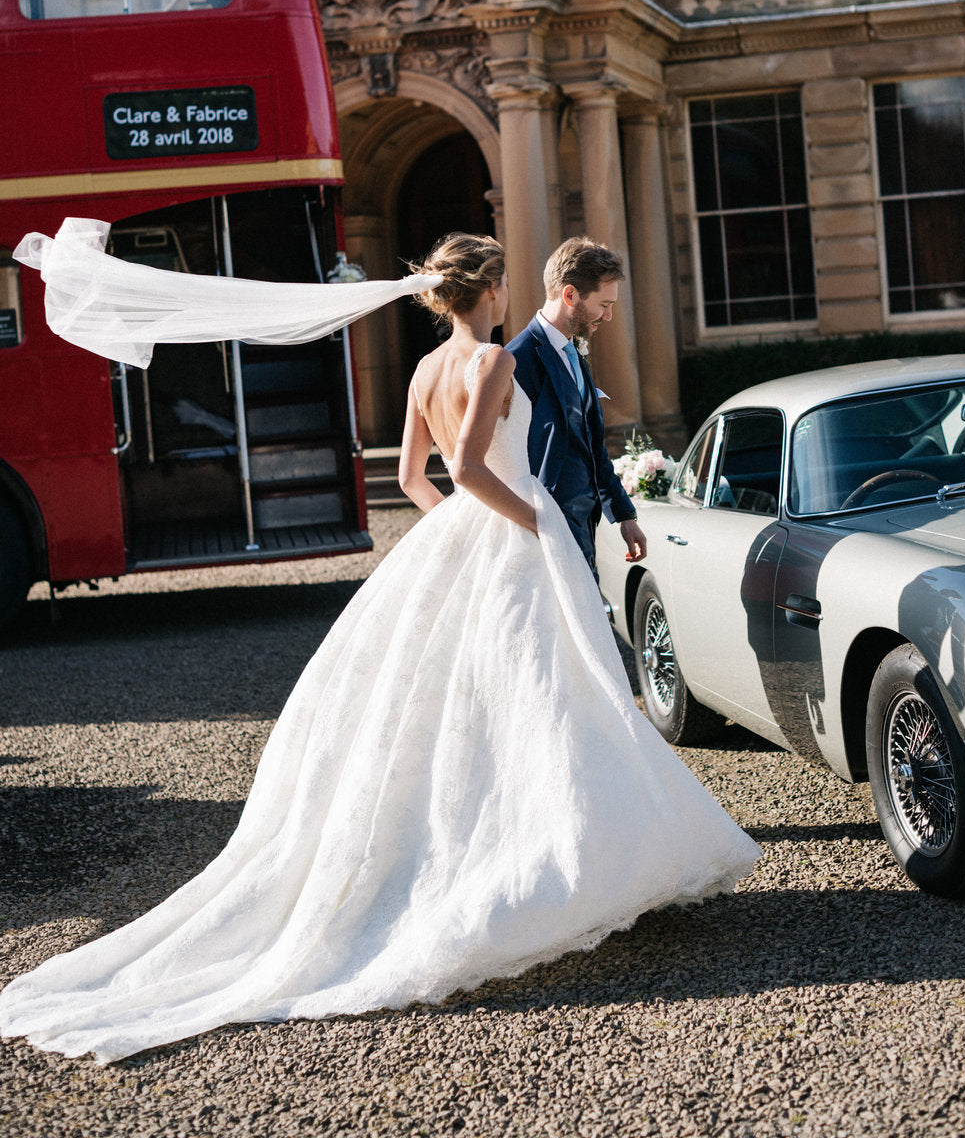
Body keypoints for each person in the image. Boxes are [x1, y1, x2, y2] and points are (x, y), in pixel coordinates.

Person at [0, 229, 759, 1065]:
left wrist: (461, 538)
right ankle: (552, 865)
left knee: (498, 700)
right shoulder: (494, 363)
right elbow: (471, 469)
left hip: (467, 545)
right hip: (516, 537)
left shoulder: (425, 370)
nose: (508, 297)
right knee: (549, 690)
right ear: (489, 290)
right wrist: (529, 526)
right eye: (502, 283)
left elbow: (411, 477)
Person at [508, 237, 646, 575]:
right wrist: (540, 524)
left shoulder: (574, 353)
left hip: (584, 528)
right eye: (603, 304)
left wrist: (624, 514)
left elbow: (590, 445)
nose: (610, 316)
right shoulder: (516, 360)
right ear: (570, 295)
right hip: (547, 532)